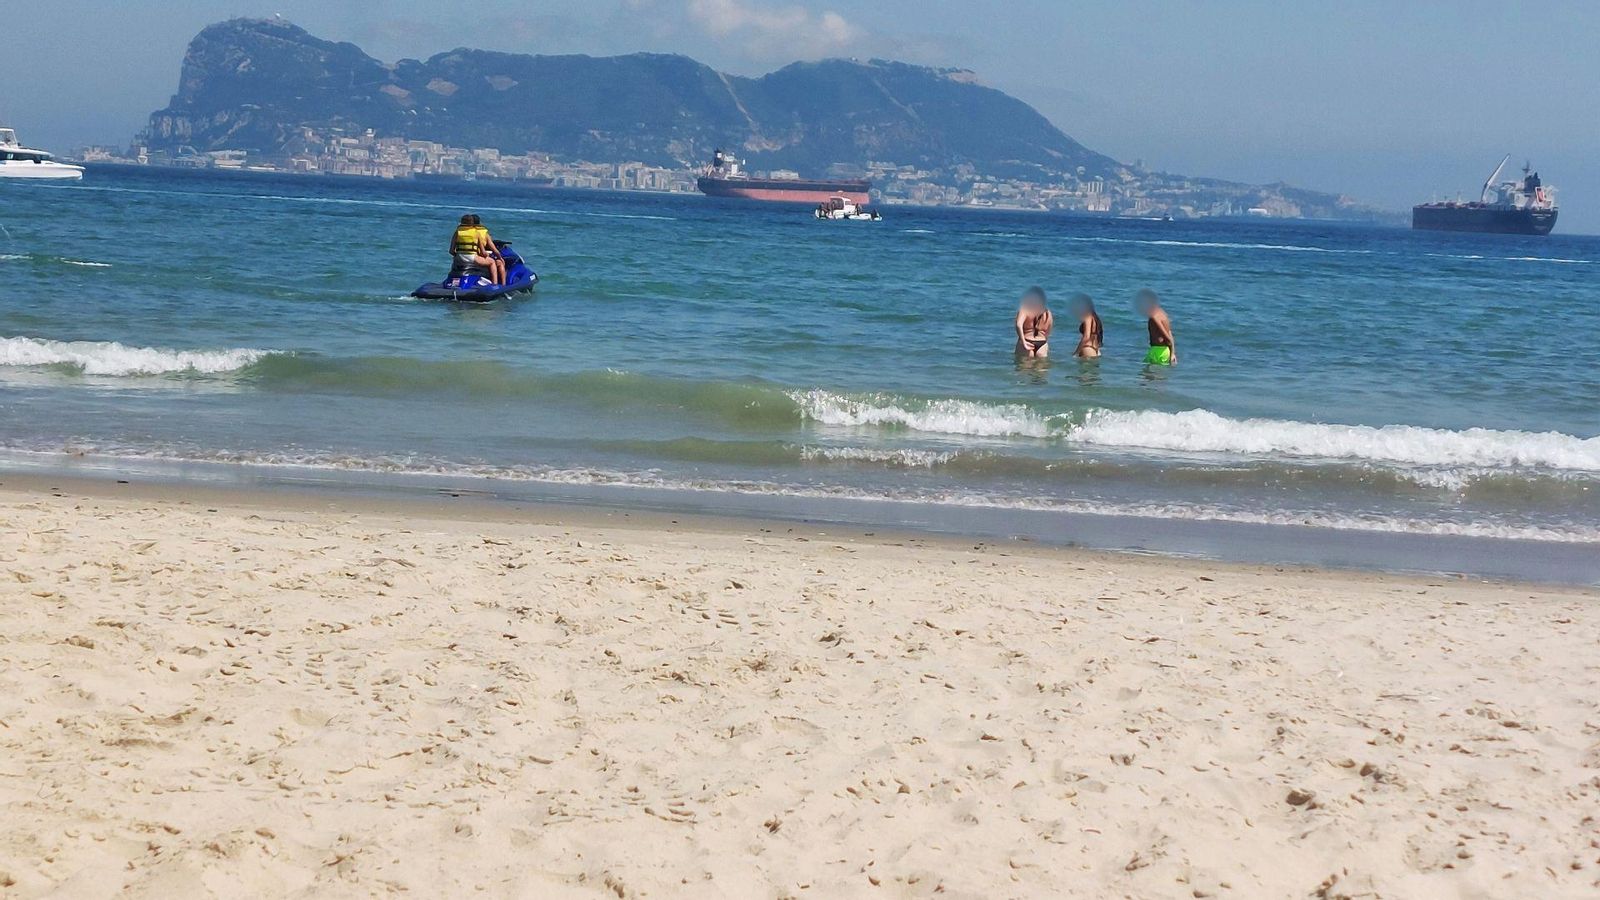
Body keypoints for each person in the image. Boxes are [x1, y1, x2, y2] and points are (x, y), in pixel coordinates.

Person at [449, 214, 503, 285]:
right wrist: (486, 255)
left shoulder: (457, 232)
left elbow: (451, 251)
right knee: (492, 262)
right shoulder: (476, 233)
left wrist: (459, 255)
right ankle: (495, 284)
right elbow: (483, 252)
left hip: (459, 258)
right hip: (472, 258)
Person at [1137, 288, 1176, 366]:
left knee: (1149, 377)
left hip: (1158, 352)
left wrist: (1172, 355)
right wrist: (1173, 353)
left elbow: (1167, 338)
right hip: (1164, 351)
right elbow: (1170, 334)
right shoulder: (1163, 313)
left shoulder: (1154, 317)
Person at [1014, 286, 1053, 358]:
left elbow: (1018, 325)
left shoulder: (1025, 309)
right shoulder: (1047, 313)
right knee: (1042, 367)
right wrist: (1044, 343)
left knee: (1024, 368)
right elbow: (1048, 332)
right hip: (1042, 343)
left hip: (1027, 341)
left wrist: (1023, 342)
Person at [1070, 293, 1103, 359]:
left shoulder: (1087, 317)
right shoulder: (1095, 318)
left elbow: (1086, 337)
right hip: (1096, 350)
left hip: (1087, 348)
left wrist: (1076, 352)